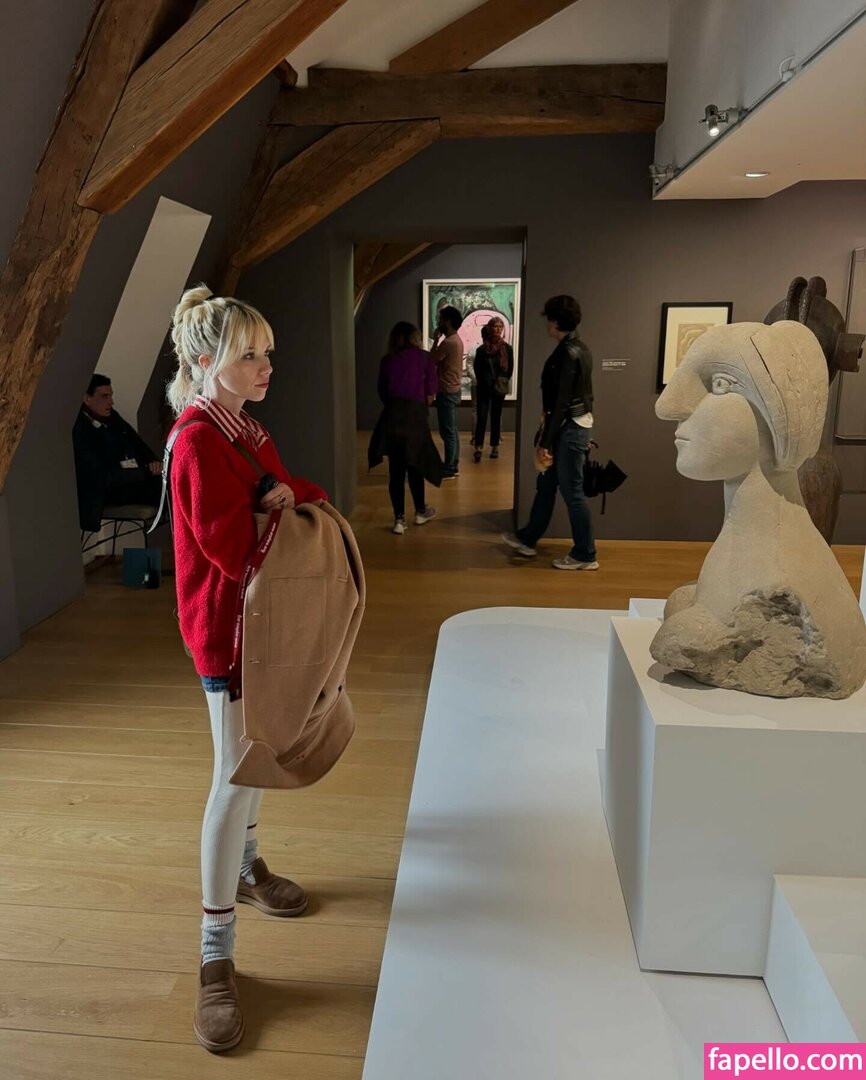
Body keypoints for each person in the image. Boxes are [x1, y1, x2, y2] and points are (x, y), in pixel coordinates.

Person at [165, 285, 328, 1053]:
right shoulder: (198, 441)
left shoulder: (244, 429)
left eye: (268, 353)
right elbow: (232, 550)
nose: (266, 366)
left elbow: (288, 491)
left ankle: (248, 867)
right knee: (232, 778)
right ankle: (214, 955)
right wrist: (279, 507)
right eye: (249, 355)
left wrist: (288, 500)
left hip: (259, 626)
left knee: (256, 755)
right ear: (206, 362)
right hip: (228, 634)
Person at [501, 295, 598, 571]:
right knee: (546, 485)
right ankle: (528, 538)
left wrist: (546, 441)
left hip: (567, 430)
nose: (547, 324)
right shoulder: (579, 348)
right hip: (570, 428)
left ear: (554, 322)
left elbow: (561, 403)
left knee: (573, 493)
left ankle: (585, 554)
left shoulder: (568, 352)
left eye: (549, 320)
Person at [371, 321, 440, 534]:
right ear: (414, 337)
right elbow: (431, 393)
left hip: (393, 417)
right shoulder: (424, 358)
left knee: (396, 470)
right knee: (416, 464)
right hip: (415, 417)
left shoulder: (387, 360)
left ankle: (399, 520)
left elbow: (382, 392)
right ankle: (420, 511)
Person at [72, 374, 163, 531]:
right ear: (87, 399)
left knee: (171, 482)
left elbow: (139, 446)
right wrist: (145, 471)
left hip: (132, 480)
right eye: (104, 396)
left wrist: (155, 464)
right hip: (105, 493)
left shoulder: (113, 418)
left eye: (111, 396)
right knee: (165, 489)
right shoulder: (80, 430)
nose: (111, 402)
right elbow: (102, 478)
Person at [472, 317, 514, 462]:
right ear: (490, 328)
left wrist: (501, 381)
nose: (497, 329)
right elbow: (477, 368)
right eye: (495, 326)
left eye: (500, 326)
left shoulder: (507, 349)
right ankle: (478, 446)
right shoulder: (481, 350)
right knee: (482, 417)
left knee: (496, 417)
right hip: (484, 388)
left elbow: (509, 369)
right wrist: (485, 381)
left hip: (498, 388)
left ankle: (495, 446)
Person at [430, 305, 464, 478]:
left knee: (448, 432)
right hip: (453, 389)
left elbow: (432, 360)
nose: (439, 322)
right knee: (452, 430)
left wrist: (435, 340)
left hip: (446, 391)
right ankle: (453, 464)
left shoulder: (448, 342)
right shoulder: (456, 339)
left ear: (448, 321)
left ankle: (450, 467)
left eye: (441, 319)